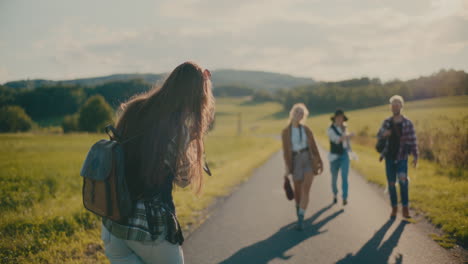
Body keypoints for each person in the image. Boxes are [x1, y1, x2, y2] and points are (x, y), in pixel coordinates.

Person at [101, 62, 215, 263]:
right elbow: (183, 180)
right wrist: (191, 144)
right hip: (148, 227)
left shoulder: (135, 107)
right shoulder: (177, 128)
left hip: (113, 222)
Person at [282, 103, 323, 230]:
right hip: (295, 161)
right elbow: (285, 152)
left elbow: (314, 146)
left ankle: (301, 217)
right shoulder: (285, 132)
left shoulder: (306, 129)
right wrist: (287, 168)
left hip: (308, 159)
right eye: (297, 112)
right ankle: (298, 209)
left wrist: (319, 161)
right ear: (292, 113)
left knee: (306, 189)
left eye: (301, 113)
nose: (298, 114)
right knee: (298, 192)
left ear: (303, 116)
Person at [377, 95, 418, 219]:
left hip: (402, 157)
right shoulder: (387, 122)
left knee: (403, 182)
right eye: (393, 105)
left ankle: (405, 208)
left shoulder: (407, 123)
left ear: (401, 106)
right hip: (389, 157)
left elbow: (413, 140)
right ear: (391, 107)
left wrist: (416, 156)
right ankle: (394, 207)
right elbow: (379, 135)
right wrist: (385, 134)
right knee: (391, 184)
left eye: (397, 104)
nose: (395, 107)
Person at [328, 109, 354, 206]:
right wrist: (348, 136)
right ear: (334, 119)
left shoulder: (344, 128)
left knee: (344, 176)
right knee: (334, 178)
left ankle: (344, 197)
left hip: (344, 155)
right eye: (338, 118)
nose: (340, 119)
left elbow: (346, 143)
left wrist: (350, 150)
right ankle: (335, 194)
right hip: (334, 157)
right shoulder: (330, 129)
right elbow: (337, 140)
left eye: (341, 118)